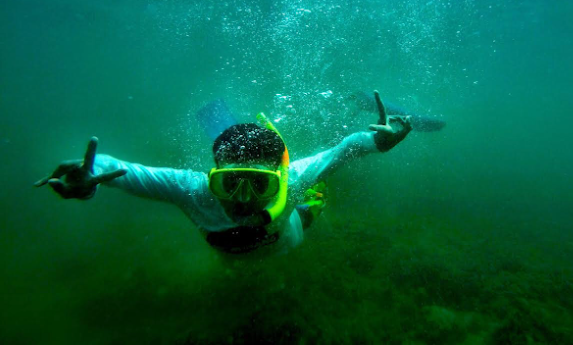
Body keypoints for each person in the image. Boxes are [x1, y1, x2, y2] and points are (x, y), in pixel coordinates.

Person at [35, 91, 412, 256]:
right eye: (230, 183)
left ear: (278, 177)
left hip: (292, 236)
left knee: (308, 208)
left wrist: (379, 141)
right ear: (211, 176)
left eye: (259, 183)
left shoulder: (293, 177)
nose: (244, 199)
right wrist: (90, 176)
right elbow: (123, 171)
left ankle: (313, 202)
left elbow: (343, 149)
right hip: (263, 242)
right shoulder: (194, 190)